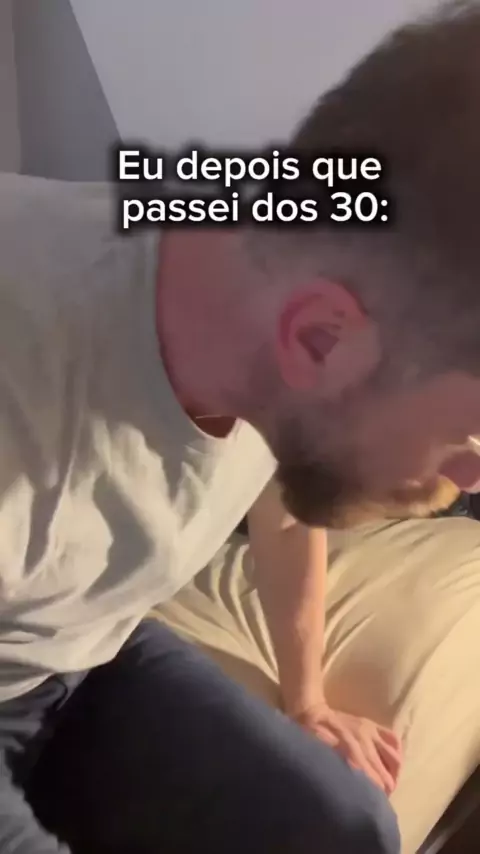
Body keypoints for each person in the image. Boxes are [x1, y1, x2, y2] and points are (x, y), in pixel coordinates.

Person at [1, 2, 480, 852]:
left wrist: (307, 699)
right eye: (468, 438)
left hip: (80, 652)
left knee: (345, 829)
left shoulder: (272, 251)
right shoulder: (27, 404)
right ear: (321, 340)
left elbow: (288, 493)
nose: (472, 477)